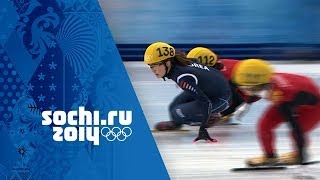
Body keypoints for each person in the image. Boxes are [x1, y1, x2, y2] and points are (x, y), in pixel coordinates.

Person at [232, 59, 320, 166]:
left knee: (294, 133)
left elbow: (296, 128)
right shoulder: (261, 80)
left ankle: (298, 155)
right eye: (244, 88)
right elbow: (252, 91)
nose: (247, 92)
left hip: (313, 108)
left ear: (264, 85)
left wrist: (301, 157)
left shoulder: (284, 96)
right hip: (292, 95)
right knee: (264, 125)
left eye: (251, 89)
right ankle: (270, 157)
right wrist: (246, 105)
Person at [144, 42, 231, 142]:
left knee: (178, 112)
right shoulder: (181, 62)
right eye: (151, 66)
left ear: (167, 63)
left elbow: (206, 102)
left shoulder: (182, 77)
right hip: (213, 89)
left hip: (221, 98)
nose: (153, 70)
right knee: (173, 107)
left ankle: (213, 117)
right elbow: (195, 61)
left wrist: (203, 129)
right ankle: (177, 123)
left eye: (155, 66)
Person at [186, 47, 260, 124]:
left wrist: (220, 115)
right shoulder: (215, 67)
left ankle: (221, 113)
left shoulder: (219, 76)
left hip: (252, 85)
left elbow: (237, 100)